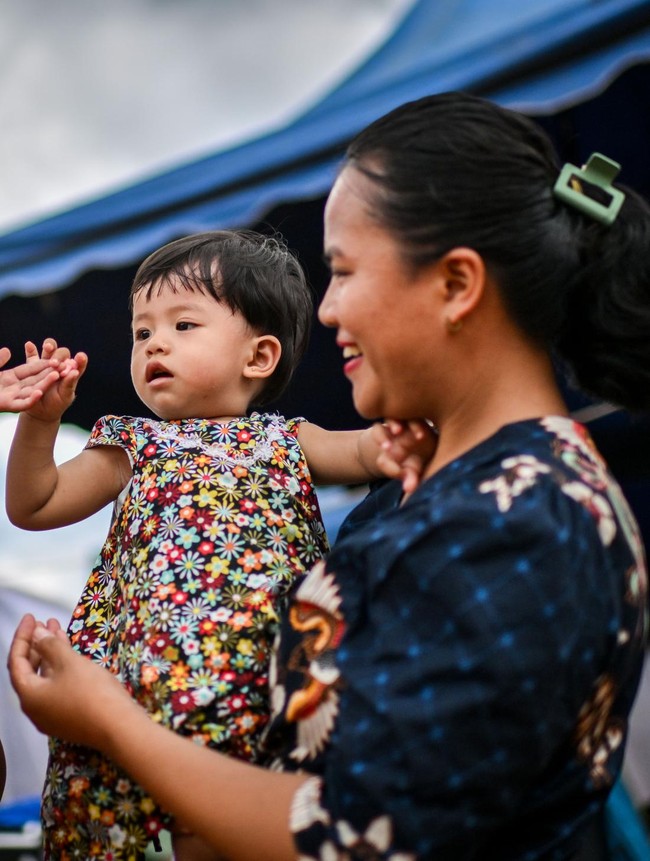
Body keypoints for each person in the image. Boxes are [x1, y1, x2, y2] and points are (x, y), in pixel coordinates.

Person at [9, 91, 650, 860]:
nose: (326, 309)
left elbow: (355, 836)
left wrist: (110, 721)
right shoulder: (476, 493)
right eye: (143, 330)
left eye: (343, 271)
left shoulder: (516, 519)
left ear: (456, 284)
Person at [5, 230, 428, 861]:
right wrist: (39, 423)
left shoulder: (289, 439)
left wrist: (410, 432)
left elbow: (368, 450)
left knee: (263, 811)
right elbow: (34, 505)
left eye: (183, 325)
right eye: (141, 332)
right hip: (160, 684)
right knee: (185, 818)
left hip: (272, 677)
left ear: (259, 357)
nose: (155, 344)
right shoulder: (130, 445)